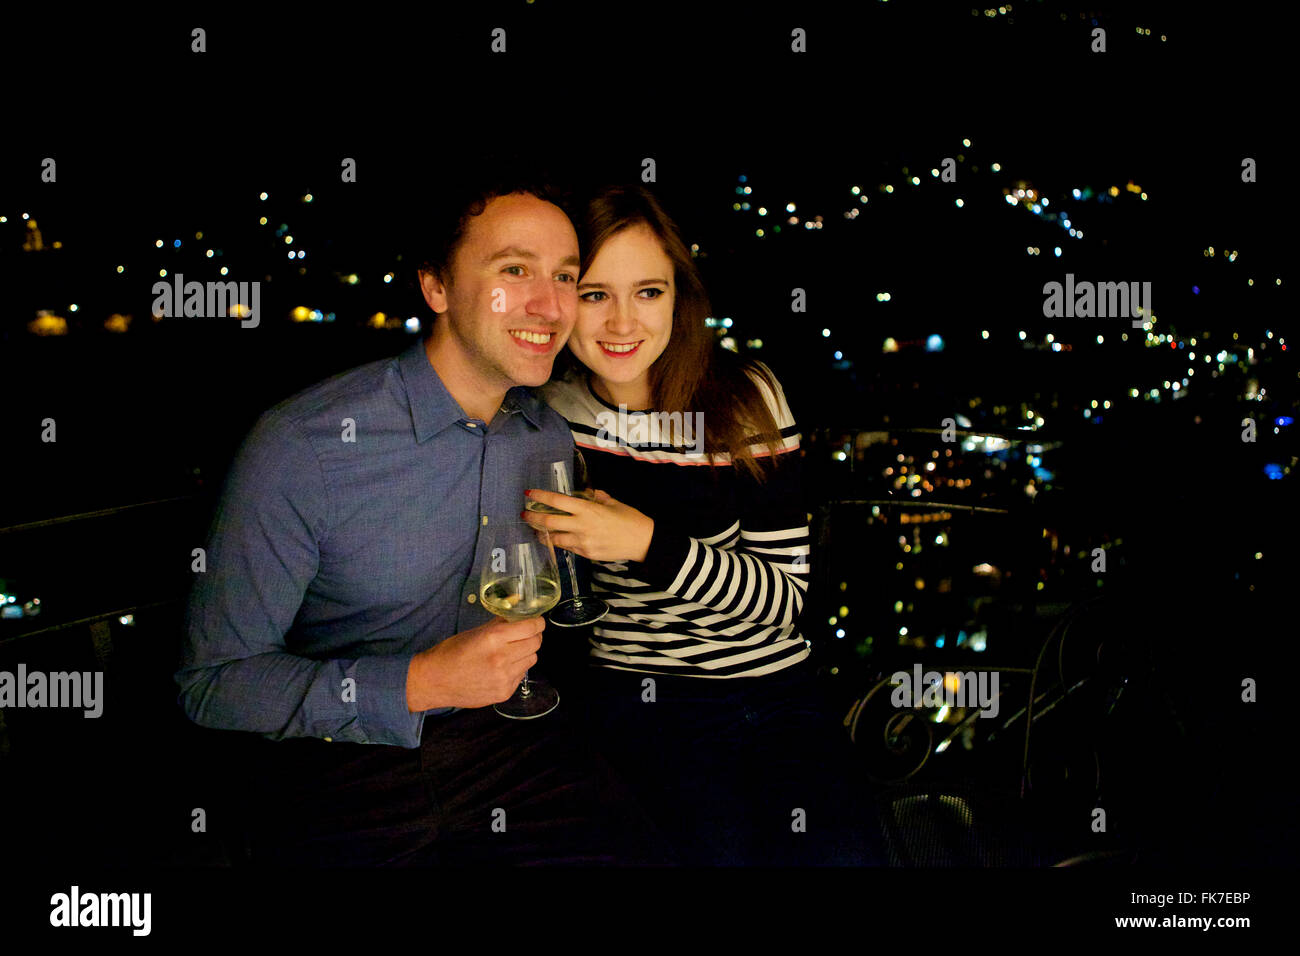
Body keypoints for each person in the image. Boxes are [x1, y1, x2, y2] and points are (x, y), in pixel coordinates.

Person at [175, 169, 665, 866]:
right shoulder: (302, 444)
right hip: (339, 769)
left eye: (563, 276)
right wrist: (418, 682)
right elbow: (212, 683)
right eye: (514, 270)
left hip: (513, 747)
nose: (548, 305)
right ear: (436, 288)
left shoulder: (545, 436)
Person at [530, 184, 887, 865]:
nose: (621, 322)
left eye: (649, 291)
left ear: (679, 297)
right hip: (639, 700)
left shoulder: (743, 399)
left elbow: (785, 602)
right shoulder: (550, 412)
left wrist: (645, 543)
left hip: (775, 695)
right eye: (595, 293)